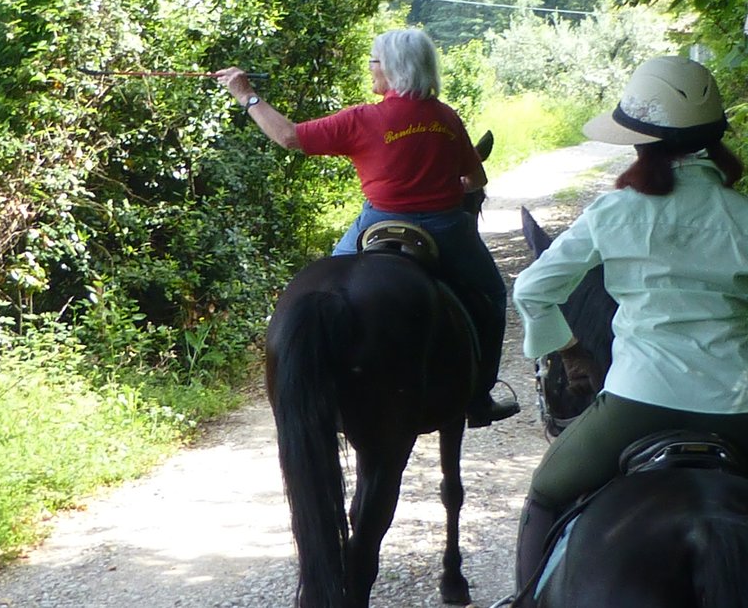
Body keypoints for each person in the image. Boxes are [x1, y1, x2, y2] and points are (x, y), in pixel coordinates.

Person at [510, 56, 748, 604]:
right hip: (741, 410)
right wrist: (737, 369)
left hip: (636, 401)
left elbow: (533, 288)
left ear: (640, 143)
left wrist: (570, 348)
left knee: (547, 492)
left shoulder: (614, 213)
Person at [213, 28, 519, 427]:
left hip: (378, 223)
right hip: (445, 229)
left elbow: (288, 137)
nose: (371, 69)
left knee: (327, 286)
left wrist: (246, 95)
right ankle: (479, 398)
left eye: (374, 62)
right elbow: (476, 180)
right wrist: (445, 180)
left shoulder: (363, 118)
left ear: (392, 69)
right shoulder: (446, 118)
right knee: (493, 295)